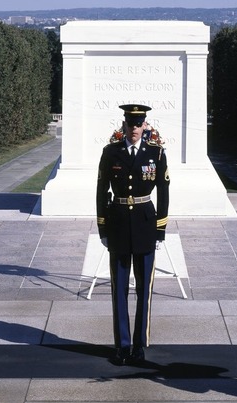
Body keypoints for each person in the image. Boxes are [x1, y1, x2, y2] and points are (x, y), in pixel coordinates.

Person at [96, 104, 170, 366]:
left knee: (143, 291)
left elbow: (163, 190)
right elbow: (101, 189)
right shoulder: (111, 152)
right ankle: (122, 346)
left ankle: (140, 344)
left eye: (139, 124)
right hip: (117, 225)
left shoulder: (156, 154)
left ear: (144, 125)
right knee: (119, 291)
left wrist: (160, 227)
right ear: (125, 125)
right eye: (130, 123)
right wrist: (102, 227)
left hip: (145, 224)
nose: (134, 128)